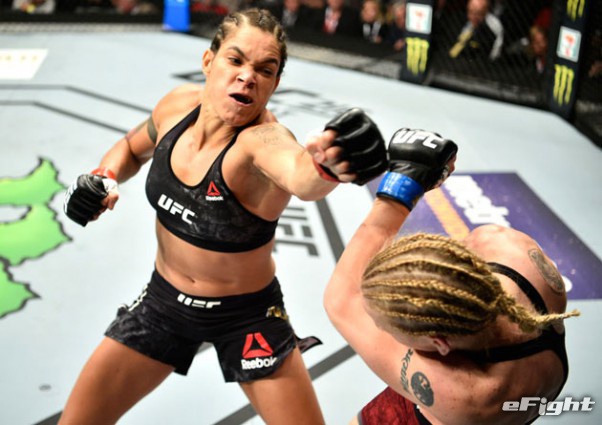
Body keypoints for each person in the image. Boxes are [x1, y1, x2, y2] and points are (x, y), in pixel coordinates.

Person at [60, 8, 388, 424]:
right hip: (164, 303)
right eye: (236, 60)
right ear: (208, 61)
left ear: (274, 84)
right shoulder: (177, 107)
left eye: (265, 70)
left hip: (245, 316)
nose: (248, 77)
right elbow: (130, 147)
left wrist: (331, 165)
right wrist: (104, 176)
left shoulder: (262, 141)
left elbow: (302, 177)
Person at [320, 128, 580, 424]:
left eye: (388, 328)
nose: (380, 328)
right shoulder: (510, 251)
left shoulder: (455, 392)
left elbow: (341, 301)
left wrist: (403, 186)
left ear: (439, 344)